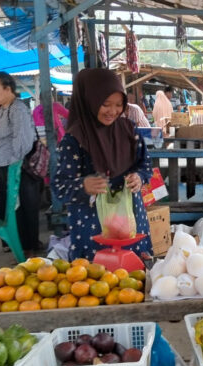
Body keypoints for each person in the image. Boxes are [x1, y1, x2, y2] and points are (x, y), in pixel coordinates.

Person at [53, 68, 153, 261]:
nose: (113, 111)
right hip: (92, 229)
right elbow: (59, 187)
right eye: (105, 104)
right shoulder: (74, 140)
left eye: (118, 105)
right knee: (96, 277)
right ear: (89, 101)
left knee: (134, 273)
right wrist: (83, 185)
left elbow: (145, 164)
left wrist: (139, 177)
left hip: (131, 223)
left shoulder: (129, 130)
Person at [0, 71, 43, 257]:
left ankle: (28, 250)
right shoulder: (2, 109)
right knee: (12, 208)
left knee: (24, 208)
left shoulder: (18, 110)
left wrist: (13, 168)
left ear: (8, 89)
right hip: (7, 165)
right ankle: (18, 245)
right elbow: (2, 138)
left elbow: (23, 142)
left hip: (19, 168)